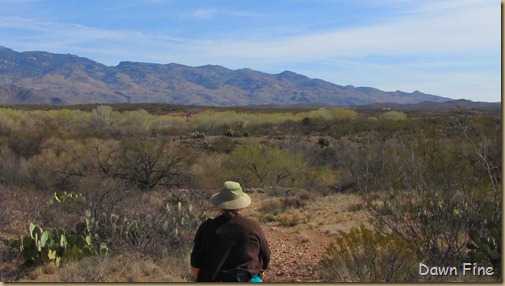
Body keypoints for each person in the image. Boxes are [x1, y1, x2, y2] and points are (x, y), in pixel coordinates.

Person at [191, 181, 271, 282]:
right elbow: (266, 256)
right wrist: (260, 271)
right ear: (240, 205)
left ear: (220, 204)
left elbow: (195, 264)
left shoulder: (207, 227)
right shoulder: (253, 226)